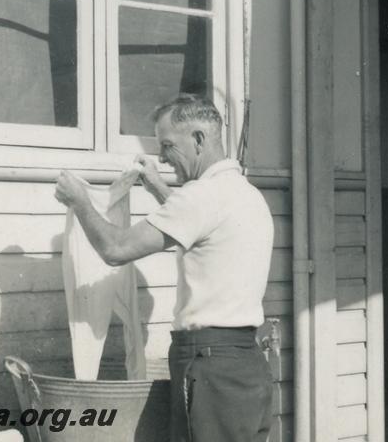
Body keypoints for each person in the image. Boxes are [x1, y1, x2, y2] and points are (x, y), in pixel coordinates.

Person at [54, 94, 274, 442]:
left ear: (199, 139)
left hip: (209, 364)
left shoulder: (200, 197)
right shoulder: (246, 195)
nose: (161, 156)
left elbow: (115, 249)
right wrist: (158, 187)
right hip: (247, 363)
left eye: (168, 144)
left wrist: (80, 201)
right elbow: (202, 225)